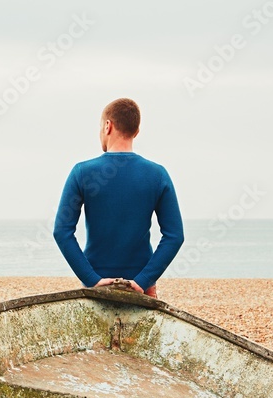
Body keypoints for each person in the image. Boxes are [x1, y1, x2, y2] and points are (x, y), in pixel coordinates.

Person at [53, 98, 184, 298]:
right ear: (136, 132)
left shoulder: (82, 172)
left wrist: (91, 278)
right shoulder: (157, 175)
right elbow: (174, 236)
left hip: (96, 285)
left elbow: (61, 231)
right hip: (141, 287)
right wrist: (143, 280)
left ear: (108, 126)